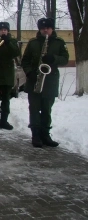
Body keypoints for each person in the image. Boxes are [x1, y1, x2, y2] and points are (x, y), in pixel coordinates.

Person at [21, 17, 69, 148]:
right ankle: (35, 135)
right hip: (34, 81)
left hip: (50, 81)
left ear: (52, 29)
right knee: (34, 109)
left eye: (47, 28)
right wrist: (29, 72)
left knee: (47, 109)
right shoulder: (33, 43)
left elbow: (65, 59)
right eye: (42, 28)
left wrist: (53, 58)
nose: (45, 30)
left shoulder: (59, 42)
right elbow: (24, 61)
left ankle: (45, 134)